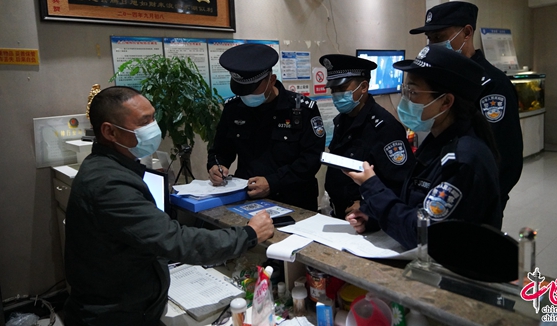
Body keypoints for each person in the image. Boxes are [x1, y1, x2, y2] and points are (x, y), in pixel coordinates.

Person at [63, 86, 274, 326]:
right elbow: (175, 240)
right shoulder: (108, 184)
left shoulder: (108, 167)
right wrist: (248, 234)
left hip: (129, 306)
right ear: (110, 132)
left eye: (153, 117)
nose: (154, 127)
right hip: (115, 317)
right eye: (144, 121)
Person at [345, 45, 502, 249]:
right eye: (405, 90)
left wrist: (372, 186)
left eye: (413, 92)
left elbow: (422, 234)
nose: (405, 99)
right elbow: (415, 206)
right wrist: (374, 215)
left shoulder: (463, 160)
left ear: (446, 102)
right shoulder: (437, 141)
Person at [409, 1, 523, 210]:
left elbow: (505, 156)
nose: (432, 45)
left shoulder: (492, 85)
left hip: (474, 202)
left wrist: (481, 202)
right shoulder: (445, 79)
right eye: (429, 39)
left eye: (439, 37)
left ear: (467, 33)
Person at [207, 44, 325, 211]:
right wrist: (216, 166)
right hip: (247, 200)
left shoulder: (302, 109)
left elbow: (311, 159)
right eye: (242, 91)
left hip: (294, 200)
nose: (246, 95)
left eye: (252, 89)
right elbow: (220, 150)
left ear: (271, 80)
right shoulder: (234, 108)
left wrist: (273, 182)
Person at [319, 54, 415, 219]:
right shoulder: (342, 121)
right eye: (333, 90)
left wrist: (367, 204)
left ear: (363, 87)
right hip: (340, 214)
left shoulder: (385, 127)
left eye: (342, 89)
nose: (336, 95)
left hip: (369, 217)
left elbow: (401, 184)